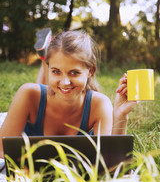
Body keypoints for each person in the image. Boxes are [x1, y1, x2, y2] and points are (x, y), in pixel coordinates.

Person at [0, 30, 138, 158]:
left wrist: (120, 115)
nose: (65, 82)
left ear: (90, 71)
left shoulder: (99, 105)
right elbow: (1, 152)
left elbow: (110, 161)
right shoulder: (28, 94)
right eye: (56, 71)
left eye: (74, 73)